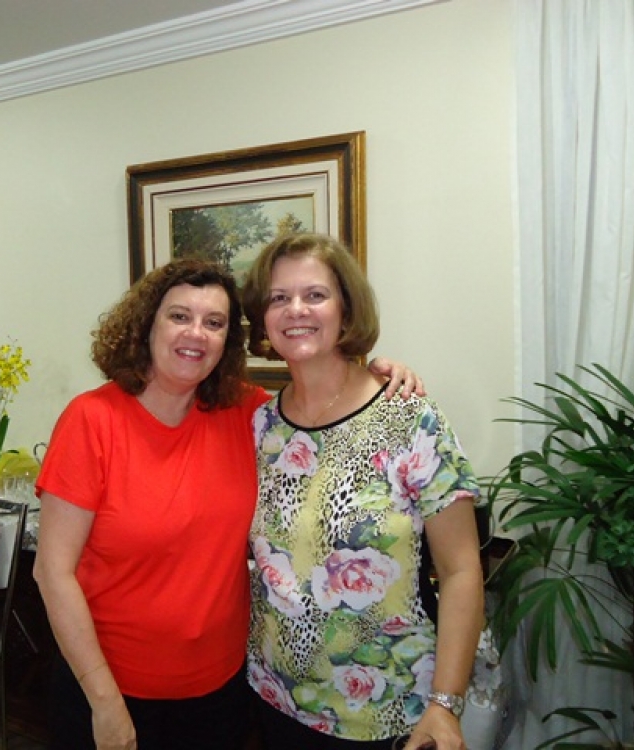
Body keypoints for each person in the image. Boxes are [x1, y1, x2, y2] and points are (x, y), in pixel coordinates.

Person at [33, 258, 422, 750]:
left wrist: (377, 374)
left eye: (214, 323)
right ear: (146, 325)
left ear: (227, 341)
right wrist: (104, 701)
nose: (196, 334)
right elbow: (52, 572)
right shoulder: (93, 420)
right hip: (110, 687)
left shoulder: (246, 413)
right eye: (179, 316)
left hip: (221, 691)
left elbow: (321, 402)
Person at [240, 233, 484, 750]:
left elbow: (462, 571)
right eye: (279, 298)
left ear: (346, 310)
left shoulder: (410, 418)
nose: (295, 310)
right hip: (272, 700)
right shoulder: (260, 426)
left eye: (315, 294)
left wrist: (445, 705)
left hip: (388, 711)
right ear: (263, 318)